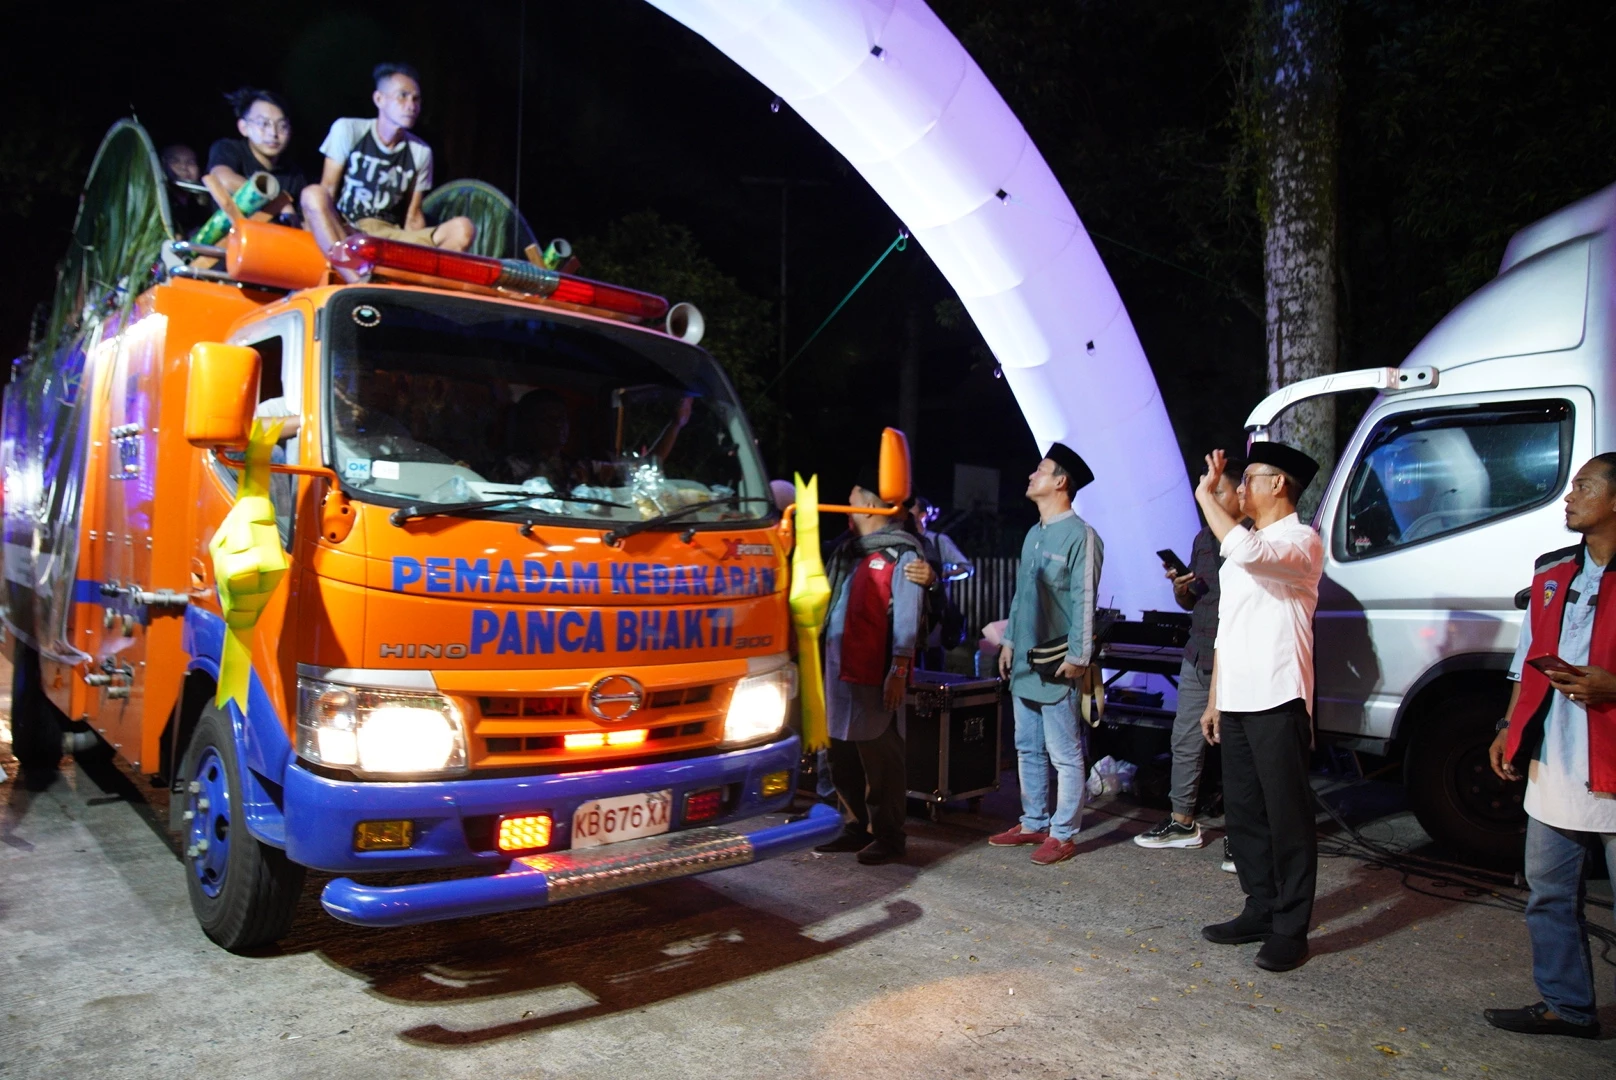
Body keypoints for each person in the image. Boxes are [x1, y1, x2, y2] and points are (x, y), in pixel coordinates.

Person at [1483, 454, 1616, 1040]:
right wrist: (1508, 728)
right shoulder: (1555, 572)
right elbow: (1526, 658)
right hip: (1558, 759)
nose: (1570, 496)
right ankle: (1567, 1004)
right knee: (1548, 893)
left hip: (1613, 758)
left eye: (1584, 485)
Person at [1196, 442, 1323, 973]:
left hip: (1279, 694)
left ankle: (1292, 927)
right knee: (1244, 813)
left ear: (1278, 484)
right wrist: (1215, 699)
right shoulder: (1245, 543)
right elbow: (1228, 627)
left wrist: (1207, 494)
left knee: (1286, 816)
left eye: (1249, 479)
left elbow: (1249, 552)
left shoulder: (1301, 540)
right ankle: (1259, 908)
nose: (1239, 488)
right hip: (1240, 697)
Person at [989, 443, 1103, 866]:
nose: (1030, 476)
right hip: (1024, 661)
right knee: (1027, 746)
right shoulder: (1034, 533)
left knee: (1064, 752)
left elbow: (1084, 601)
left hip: (1058, 662)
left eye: (1040, 470)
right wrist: (1009, 641)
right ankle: (1034, 820)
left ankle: (1063, 832)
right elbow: (1022, 597)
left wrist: (1080, 655)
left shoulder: (1081, 536)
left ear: (1060, 482)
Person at [812, 468, 926, 865]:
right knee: (841, 753)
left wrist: (898, 670)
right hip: (837, 669)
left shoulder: (902, 553)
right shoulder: (849, 551)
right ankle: (854, 826)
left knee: (881, 758)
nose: (847, 507)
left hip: (874, 673)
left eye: (853, 499)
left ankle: (890, 836)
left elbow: (907, 618)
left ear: (874, 507)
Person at [1135, 463, 1243, 870]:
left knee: (1238, 750)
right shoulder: (1202, 538)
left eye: (1219, 492)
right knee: (1185, 740)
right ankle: (1183, 823)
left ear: (1240, 497)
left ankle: (1242, 834)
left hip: (1233, 656)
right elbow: (1195, 598)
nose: (1211, 500)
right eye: (1208, 492)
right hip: (1197, 651)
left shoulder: (1249, 537)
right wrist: (1180, 588)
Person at [301, 62, 474, 261]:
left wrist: (418, 243)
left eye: (416, 99)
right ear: (379, 99)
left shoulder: (421, 152)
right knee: (313, 194)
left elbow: (413, 216)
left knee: (463, 227)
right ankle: (354, 273)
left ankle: (420, 283)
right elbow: (328, 188)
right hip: (348, 229)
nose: (411, 106)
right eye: (402, 96)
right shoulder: (348, 130)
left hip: (390, 236)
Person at [206, 88, 306, 223]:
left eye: (282, 126)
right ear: (243, 127)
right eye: (264, 124)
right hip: (230, 237)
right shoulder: (229, 148)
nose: (273, 133)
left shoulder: (294, 174)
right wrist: (279, 203)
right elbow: (223, 179)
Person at [904, 497, 975, 670]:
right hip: (909, 613)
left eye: (911, 508)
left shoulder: (937, 540)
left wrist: (943, 574)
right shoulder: (903, 538)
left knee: (931, 666)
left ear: (922, 515)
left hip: (934, 615)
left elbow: (967, 568)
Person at [159, 144, 213, 233]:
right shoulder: (161, 205)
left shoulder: (203, 207)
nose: (184, 167)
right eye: (175, 161)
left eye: (191, 162)